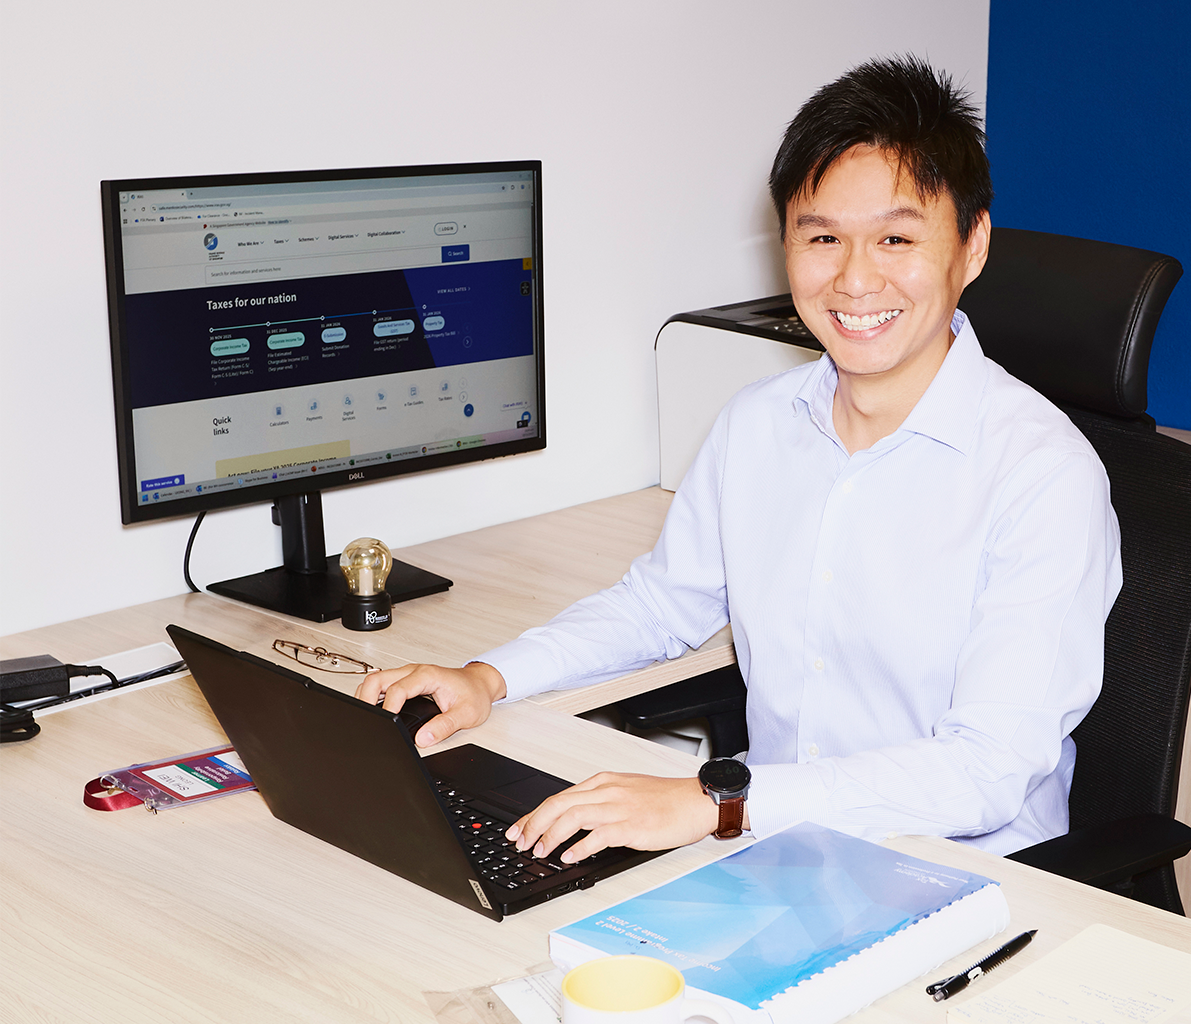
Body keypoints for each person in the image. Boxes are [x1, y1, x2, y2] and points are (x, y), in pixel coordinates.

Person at [359, 55, 1121, 864]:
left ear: (972, 247)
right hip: (773, 850)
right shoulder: (758, 427)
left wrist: (716, 801)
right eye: (822, 237)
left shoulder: (1042, 476)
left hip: (966, 876)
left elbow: (986, 771)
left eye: (896, 238)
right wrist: (488, 679)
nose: (856, 278)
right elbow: (659, 606)